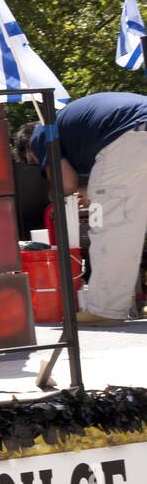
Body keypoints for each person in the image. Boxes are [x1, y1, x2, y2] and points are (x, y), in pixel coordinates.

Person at [14, 92, 147, 325]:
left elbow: (66, 183)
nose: (43, 166)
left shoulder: (41, 133)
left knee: (112, 230)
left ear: (29, 148)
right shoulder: (70, 125)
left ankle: (105, 310)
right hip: (136, 131)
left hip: (131, 137)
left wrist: (53, 191)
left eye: (36, 162)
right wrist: (92, 190)